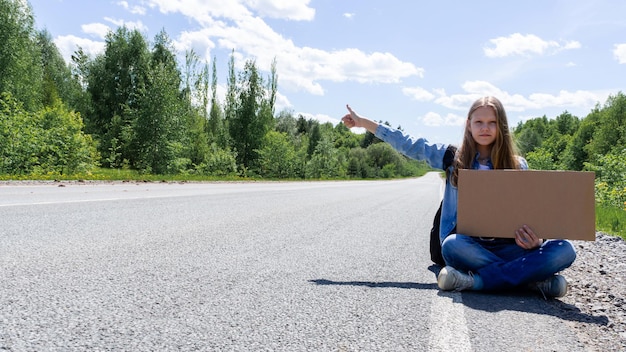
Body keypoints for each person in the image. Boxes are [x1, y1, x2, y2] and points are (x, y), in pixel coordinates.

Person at [341, 96, 577, 298]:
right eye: (479, 122)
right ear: (468, 125)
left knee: (565, 249)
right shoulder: (453, 157)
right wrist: (364, 123)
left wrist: (536, 241)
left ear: (501, 126)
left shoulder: (518, 165)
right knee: (452, 245)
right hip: (469, 246)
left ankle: (479, 282)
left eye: (492, 123)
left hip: (509, 247)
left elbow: (530, 213)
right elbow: (410, 144)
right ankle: (529, 281)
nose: (485, 128)